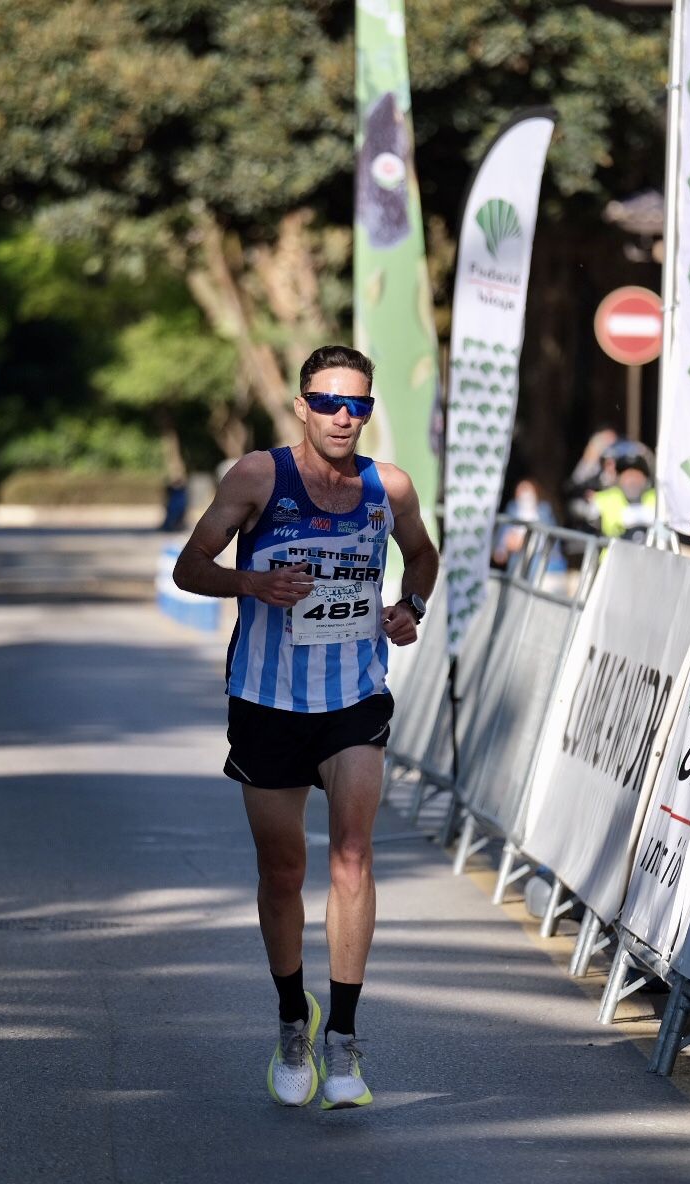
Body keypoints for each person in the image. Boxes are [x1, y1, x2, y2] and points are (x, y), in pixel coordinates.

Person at [172, 345, 438, 1111]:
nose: (343, 418)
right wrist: (249, 581)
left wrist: (408, 608)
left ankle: (344, 1037)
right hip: (265, 701)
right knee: (284, 870)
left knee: (353, 856)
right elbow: (190, 567)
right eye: (328, 402)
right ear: (301, 405)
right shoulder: (260, 477)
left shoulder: (388, 487)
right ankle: (294, 1017)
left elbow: (421, 555)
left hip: (354, 697)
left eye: (358, 405)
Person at [494, 479, 567, 586]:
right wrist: (502, 548)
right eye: (521, 491)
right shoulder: (512, 509)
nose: (525, 496)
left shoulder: (544, 510)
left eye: (527, 491)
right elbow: (503, 538)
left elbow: (550, 538)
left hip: (539, 558)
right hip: (518, 559)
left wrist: (524, 541)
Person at [592, 453, 657, 540]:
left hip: (651, 552)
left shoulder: (658, 498)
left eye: (636, 475)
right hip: (614, 552)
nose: (632, 481)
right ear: (618, 479)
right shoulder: (604, 498)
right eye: (627, 475)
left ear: (646, 479)